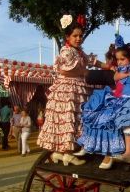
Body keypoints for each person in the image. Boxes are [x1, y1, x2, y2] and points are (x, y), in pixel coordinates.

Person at [37, 14, 99, 166]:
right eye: (75, 36)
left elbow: (92, 61)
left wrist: (108, 67)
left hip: (73, 88)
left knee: (69, 120)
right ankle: (68, 153)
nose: (79, 38)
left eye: (80, 36)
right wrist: (84, 72)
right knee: (69, 119)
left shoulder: (78, 51)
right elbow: (64, 70)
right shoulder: (67, 51)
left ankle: (60, 152)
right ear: (68, 36)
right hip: (68, 90)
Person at [78, 37, 130, 169]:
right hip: (118, 98)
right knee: (97, 113)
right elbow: (115, 78)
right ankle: (90, 145)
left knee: (110, 117)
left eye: (122, 59)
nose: (120, 62)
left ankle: (110, 152)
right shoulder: (121, 69)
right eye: (118, 60)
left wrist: (121, 75)